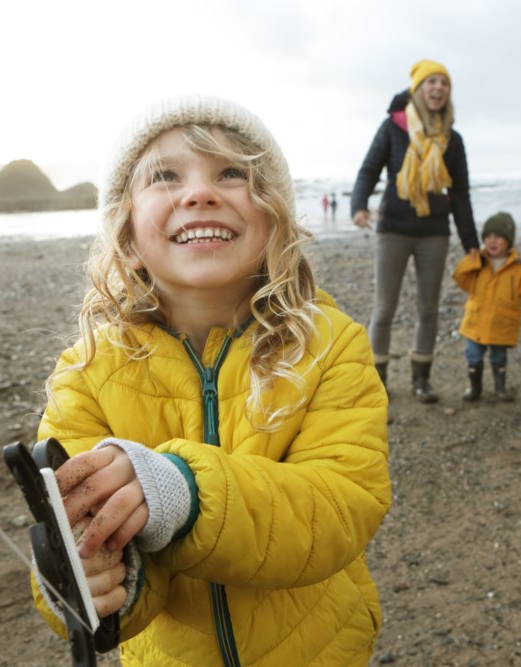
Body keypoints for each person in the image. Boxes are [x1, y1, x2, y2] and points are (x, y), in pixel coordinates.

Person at [29, 94, 391, 666]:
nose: (200, 192)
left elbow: (342, 508)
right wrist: (92, 580)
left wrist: (183, 492)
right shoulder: (86, 373)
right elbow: (76, 549)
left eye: (233, 173)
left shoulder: (330, 346)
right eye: (165, 176)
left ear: (275, 217)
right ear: (126, 231)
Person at [351, 59, 480, 404]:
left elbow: (461, 195)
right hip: (392, 228)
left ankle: (421, 379)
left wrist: (472, 243)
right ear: (419, 89)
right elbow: (369, 170)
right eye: (432, 82)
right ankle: (378, 381)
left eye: (445, 83)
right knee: (385, 307)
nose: (438, 88)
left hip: (434, 233)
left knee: (428, 309)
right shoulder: (393, 128)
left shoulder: (452, 138)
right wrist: (359, 205)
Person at [453, 212, 521, 402]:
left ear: (509, 241)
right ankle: (475, 387)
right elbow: (461, 279)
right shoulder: (480, 264)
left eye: (498, 237)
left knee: (499, 357)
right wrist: (471, 260)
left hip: (502, 323)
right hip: (476, 321)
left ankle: (500, 386)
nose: (492, 241)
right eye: (488, 237)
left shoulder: (519, 267)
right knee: (473, 356)